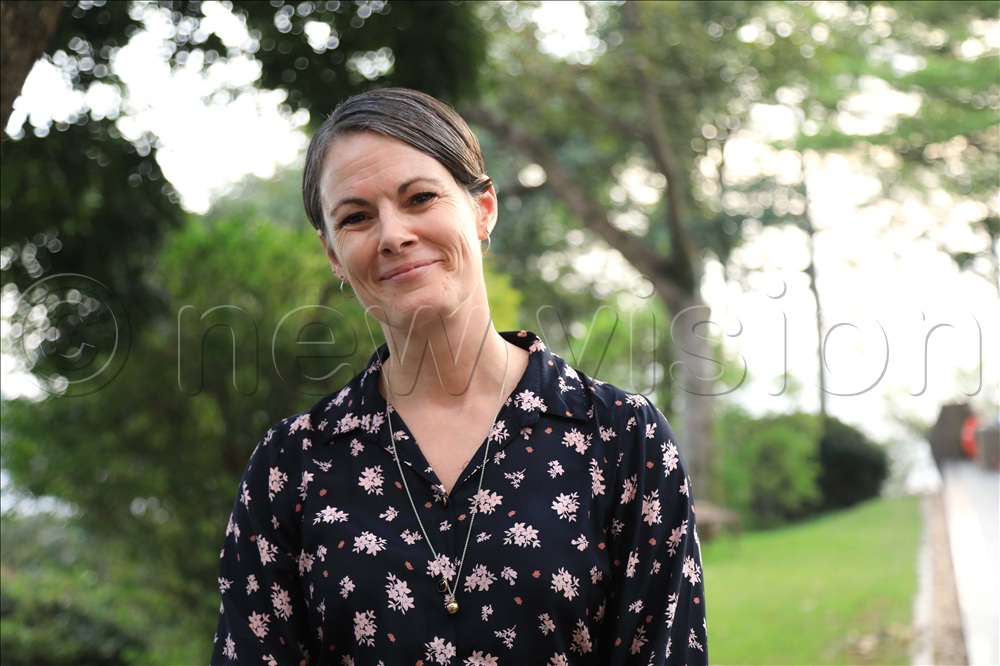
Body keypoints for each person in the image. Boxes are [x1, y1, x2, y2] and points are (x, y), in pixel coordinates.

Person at [211, 88, 707, 665]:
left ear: (483, 209)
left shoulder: (622, 440)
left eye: (420, 197)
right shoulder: (292, 466)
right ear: (333, 256)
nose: (393, 235)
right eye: (356, 217)